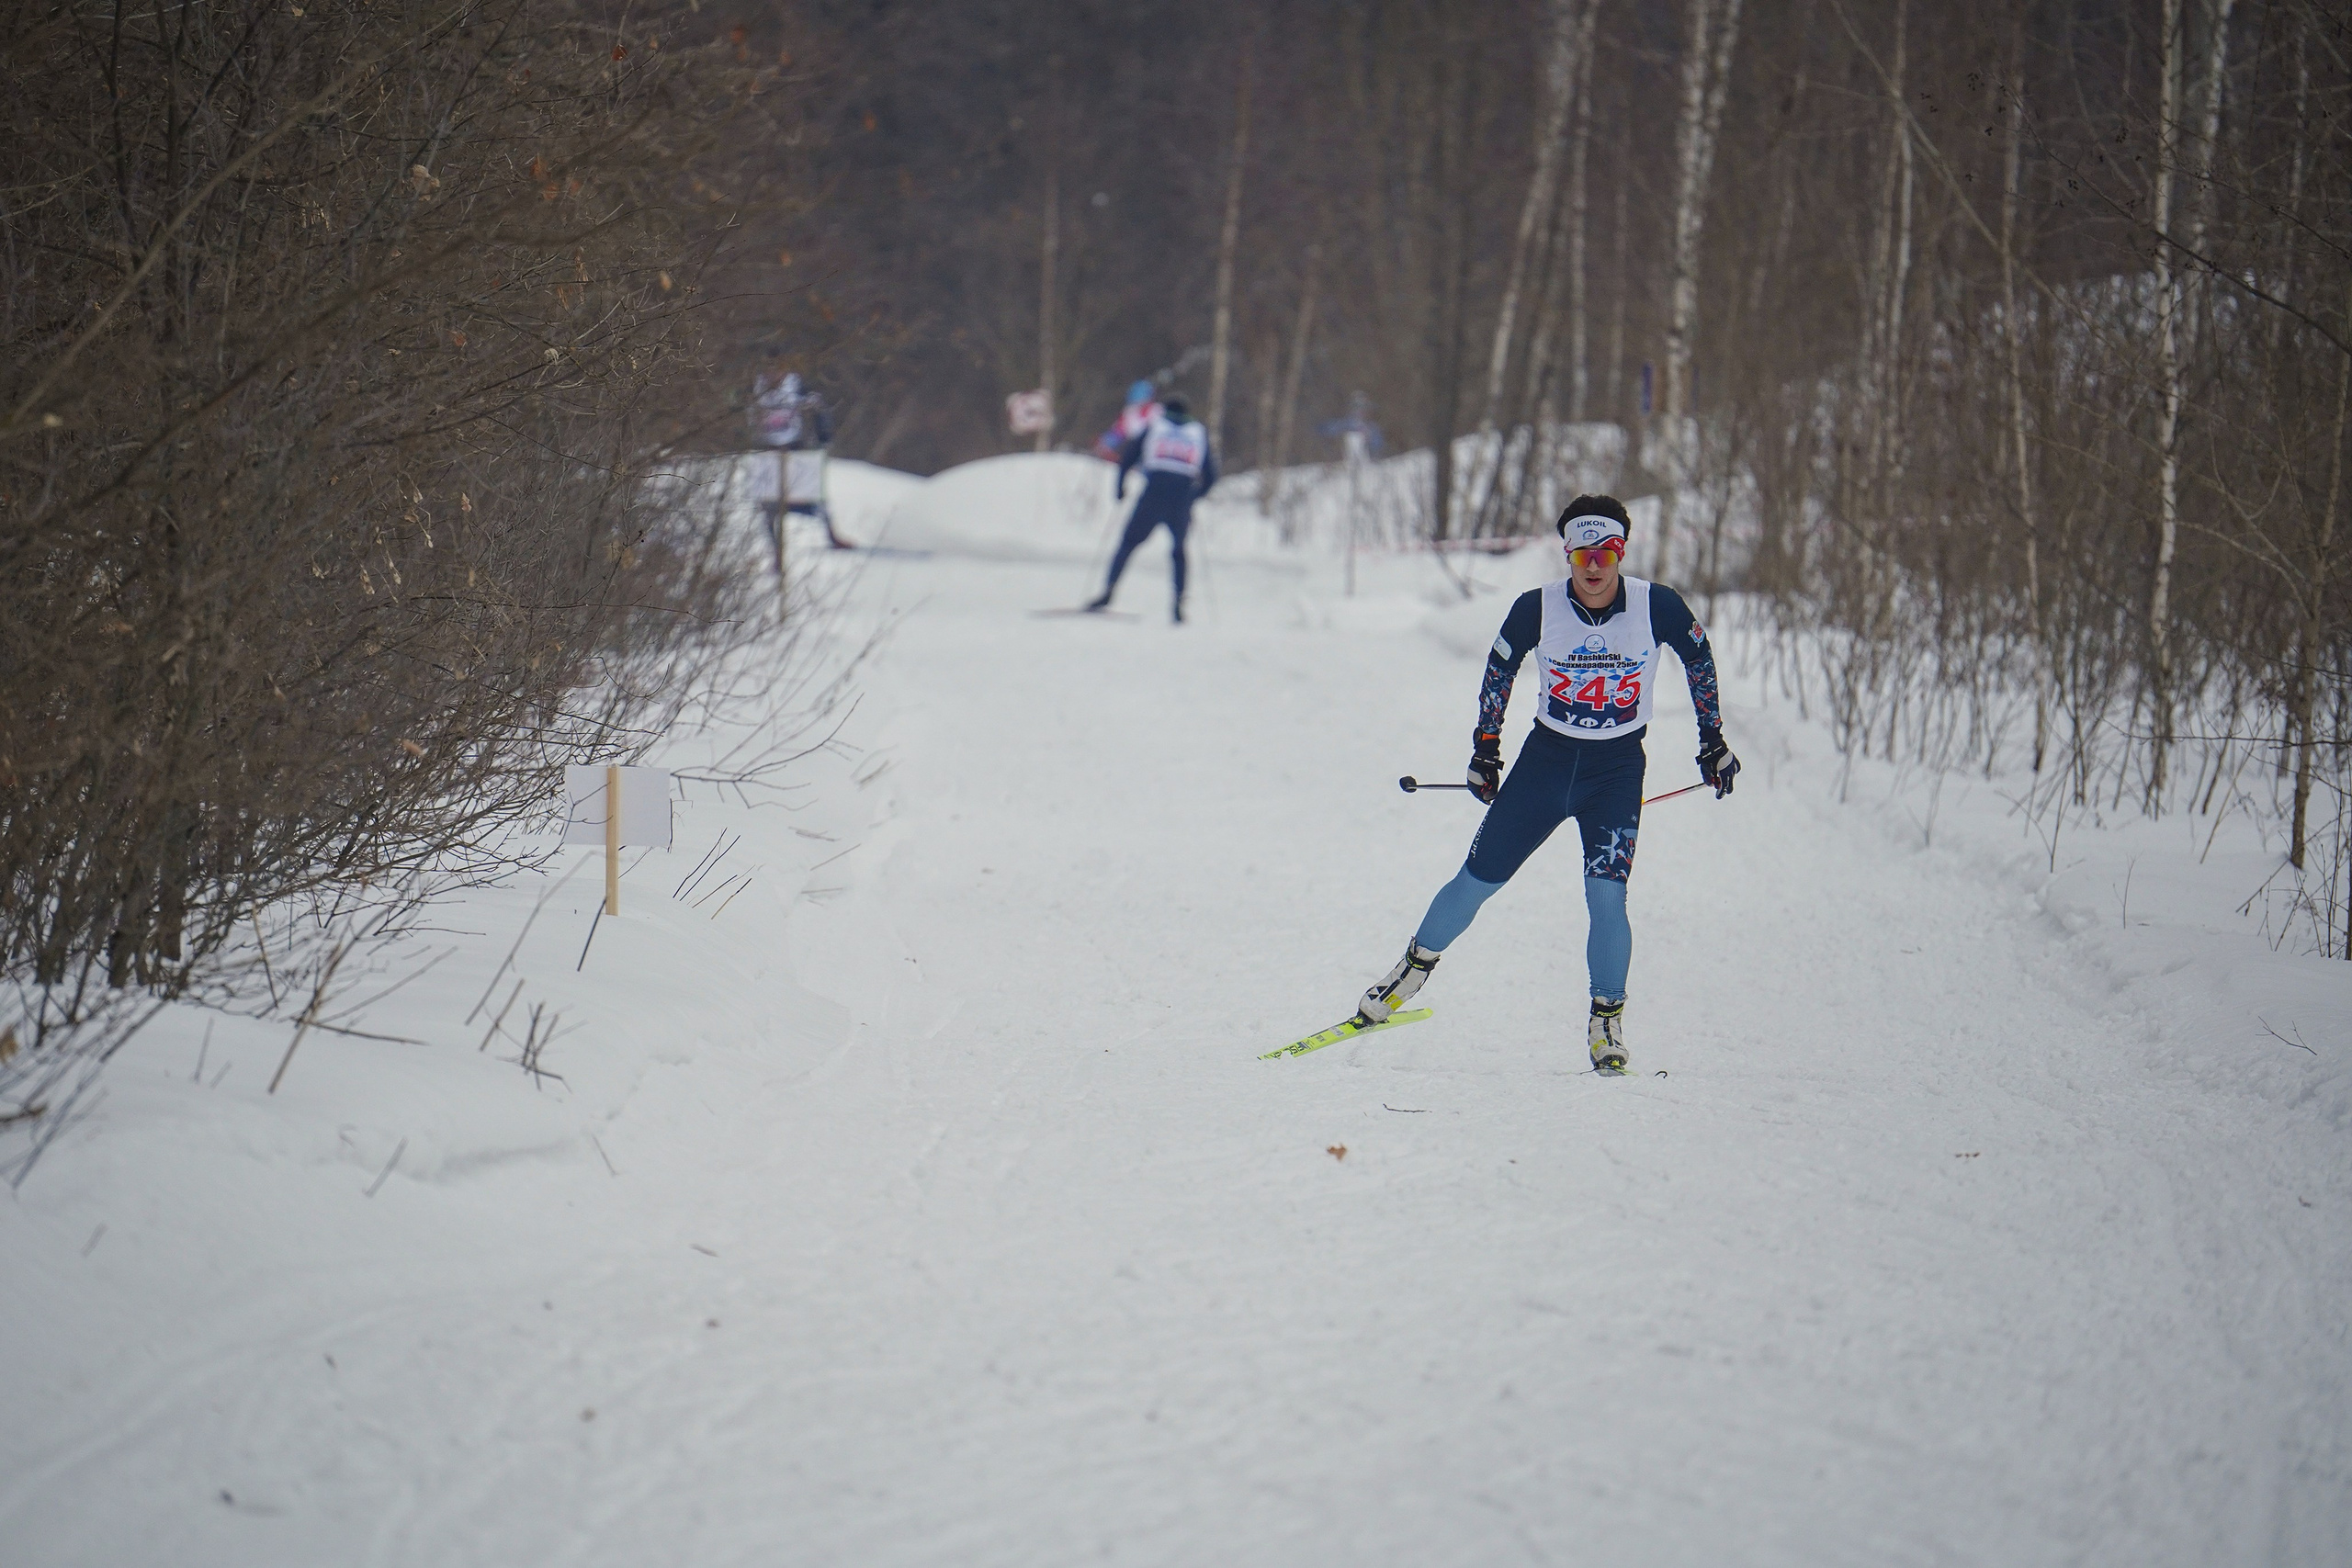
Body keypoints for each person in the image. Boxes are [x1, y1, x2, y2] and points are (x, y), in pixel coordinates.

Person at [1349, 495, 1740, 1073]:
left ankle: (1606, 1020)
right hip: (1547, 764)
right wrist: (1485, 749)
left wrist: (1713, 740)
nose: (1594, 565)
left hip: (1615, 771)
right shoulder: (1537, 608)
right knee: (1477, 879)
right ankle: (1408, 974)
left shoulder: (1659, 605)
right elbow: (1498, 673)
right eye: (1583, 552)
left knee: (1607, 895)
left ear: (1621, 552)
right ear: (1568, 554)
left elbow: (1700, 662)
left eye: (1605, 551)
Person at [1089, 393, 1217, 623]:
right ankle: (1178, 604)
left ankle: (1108, 592)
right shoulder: (1198, 432)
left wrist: (1120, 488)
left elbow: (1128, 457)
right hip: (1181, 496)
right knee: (1179, 552)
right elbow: (1211, 475)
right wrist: (1194, 496)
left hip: (1154, 493)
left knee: (1128, 544)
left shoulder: (1155, 426)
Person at [750, 366, 854, 552]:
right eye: (769, 369)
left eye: (778, 369)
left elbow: (817, 405)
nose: (774, 374)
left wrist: (823, 437)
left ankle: (831, 536)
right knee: (768, 505)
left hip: (795, 449)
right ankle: (774, 548)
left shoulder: (796, 385)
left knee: (812, 496)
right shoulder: (754, 386)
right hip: (766, 451)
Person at [1092, 379, 1161, 462]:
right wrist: (1104, 445)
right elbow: (1118, 432)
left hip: (1155, 451)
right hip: (1136, 450)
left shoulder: (1157, 411)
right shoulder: (1129, 412)